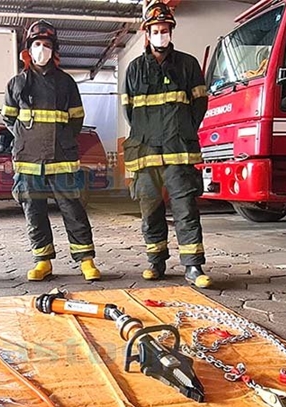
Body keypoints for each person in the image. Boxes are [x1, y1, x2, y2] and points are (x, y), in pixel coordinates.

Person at [1, 20, 101, 282]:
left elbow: (76, 119)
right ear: (29, 49)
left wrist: (62, 139)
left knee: (73, 208)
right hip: (28, 159)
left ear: (53, 49)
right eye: (37, 44)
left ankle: (86, 260)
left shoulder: (66, 83)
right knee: (34, 211)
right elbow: (10, 120)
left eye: (46, 45)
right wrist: (27, 138)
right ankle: (42, 260)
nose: (41, 49)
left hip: (62, 158)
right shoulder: (16, 84)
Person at [122, 2, 211, 288]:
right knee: (150, 209)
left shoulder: (188, 64)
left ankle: (193, 267)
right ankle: (156, 262)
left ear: (171, 31)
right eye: (156, 30)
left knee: (185, 208)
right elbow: (130, 111)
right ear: (147, 33)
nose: (161, 35)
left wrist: (181, 129)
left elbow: (199, 106)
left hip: (178, 149)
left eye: (165, 30)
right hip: (146, 151)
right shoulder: (135, 69)